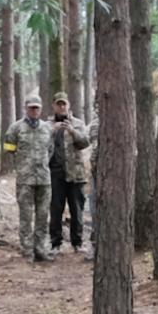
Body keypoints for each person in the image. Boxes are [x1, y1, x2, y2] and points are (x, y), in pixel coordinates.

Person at [4, 94, 53, 263]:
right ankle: (27, 249)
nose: (34, 110)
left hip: (44, 179)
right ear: (26, 108)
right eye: (31, 107)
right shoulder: (15, 128)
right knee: (25, 216)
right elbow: (9, 149)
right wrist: (21, 165)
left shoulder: (47, 128)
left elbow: (50, 150)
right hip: (25, 179)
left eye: (37, 108)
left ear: (40, 109)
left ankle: (41, 249)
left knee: (43, 216)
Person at [47, 92, 91, 257]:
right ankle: (55, 243)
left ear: (69, 105)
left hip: (76, 174)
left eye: (64, 104)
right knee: (56, 209)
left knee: (77, 210)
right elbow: (40, 143)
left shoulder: (78, 123)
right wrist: (52, 130)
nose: (62, 107)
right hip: (55, 173)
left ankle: (77, 243)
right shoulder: (47, 125)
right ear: (54, 106)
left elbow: (85, 143)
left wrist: (72, 131)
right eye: (58, 104)